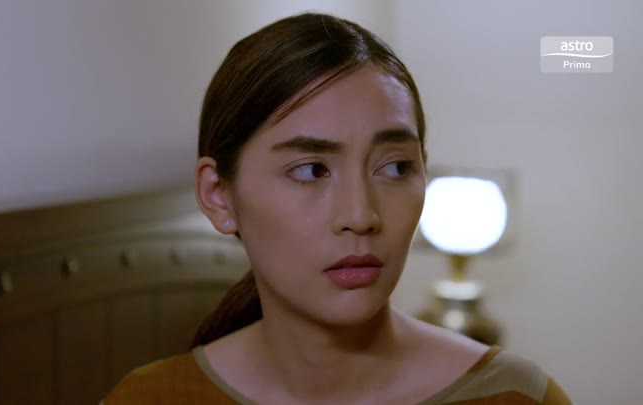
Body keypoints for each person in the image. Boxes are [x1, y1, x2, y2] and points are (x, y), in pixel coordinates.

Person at [103, 12, 571, 404]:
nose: (361, 216)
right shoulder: (149, 398)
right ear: (218, 195)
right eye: (311, 171)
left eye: (395, 168)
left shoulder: (515, 396)